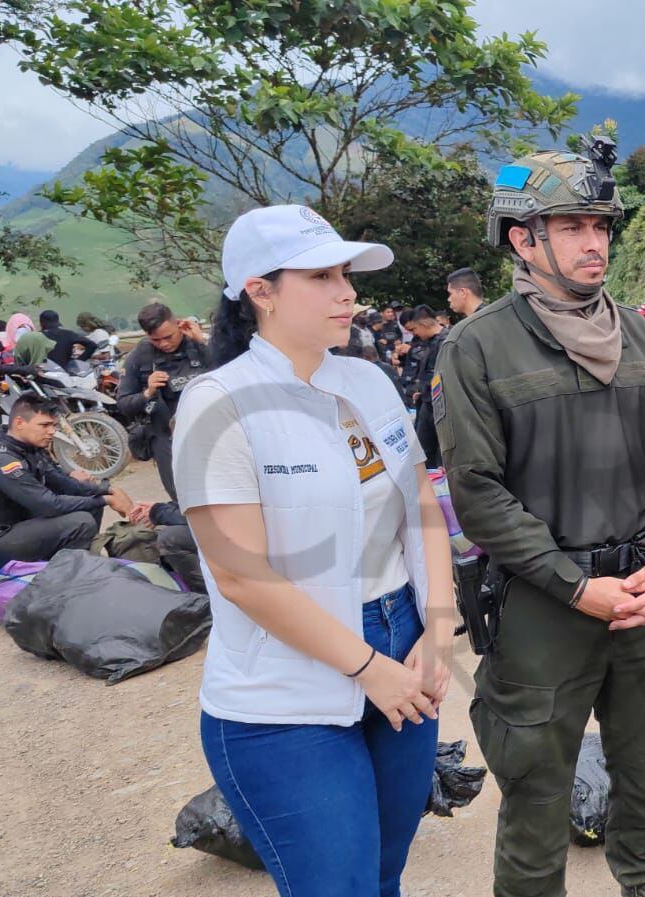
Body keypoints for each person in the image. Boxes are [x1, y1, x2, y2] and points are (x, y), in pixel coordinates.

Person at [435, 143, 645, 897]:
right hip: (543, 609)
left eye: (602, 226)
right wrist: (575, 587)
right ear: (524, 239)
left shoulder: (641, 334)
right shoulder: (477, 346)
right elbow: (477, 491)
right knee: (536, 800)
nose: (596, 243)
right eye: (573, 226)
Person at [171, 204, 458, 897]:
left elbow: (419, 505)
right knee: (338, 885)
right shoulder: (219, 403)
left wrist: (439, 627)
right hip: (285, 694)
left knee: (385, 872)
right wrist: (367, 666)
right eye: (322, 277)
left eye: (346, 275)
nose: (346, 293)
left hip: (402, 642)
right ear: (259, 291)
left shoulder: (366, 381)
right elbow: (241, 576)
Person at [0, 393, 133, 561]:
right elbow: (48, 504)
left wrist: (107, 489)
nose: (52, 431)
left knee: (89, 504)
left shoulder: (30, 449)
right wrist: (106, 500)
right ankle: (67, 570)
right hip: (0, 538)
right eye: (44, 425)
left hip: (23, 522)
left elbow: (65, 484)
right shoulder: (1, 458)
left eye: (53, 425)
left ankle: (82, 560)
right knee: (81, 522)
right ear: (19, 423)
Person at [116, 303, 212, 502]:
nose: (164, 344)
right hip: (166, 437)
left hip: (211, 431)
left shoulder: (200, 345)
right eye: (156, 340)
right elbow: (124, 404)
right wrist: (147, 392)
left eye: (168, 337)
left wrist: (203, 343)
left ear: (178, 324)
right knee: (183, 499)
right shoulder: (140, 357)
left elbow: (236, 375)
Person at [398, 306, 445, 468]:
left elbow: (442, 374)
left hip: (440, 402)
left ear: (424, 324)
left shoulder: (446, 341)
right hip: (427, 399)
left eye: (414, 329)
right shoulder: (429, 342)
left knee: (437, 449)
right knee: (423, 448)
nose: (415, 334)